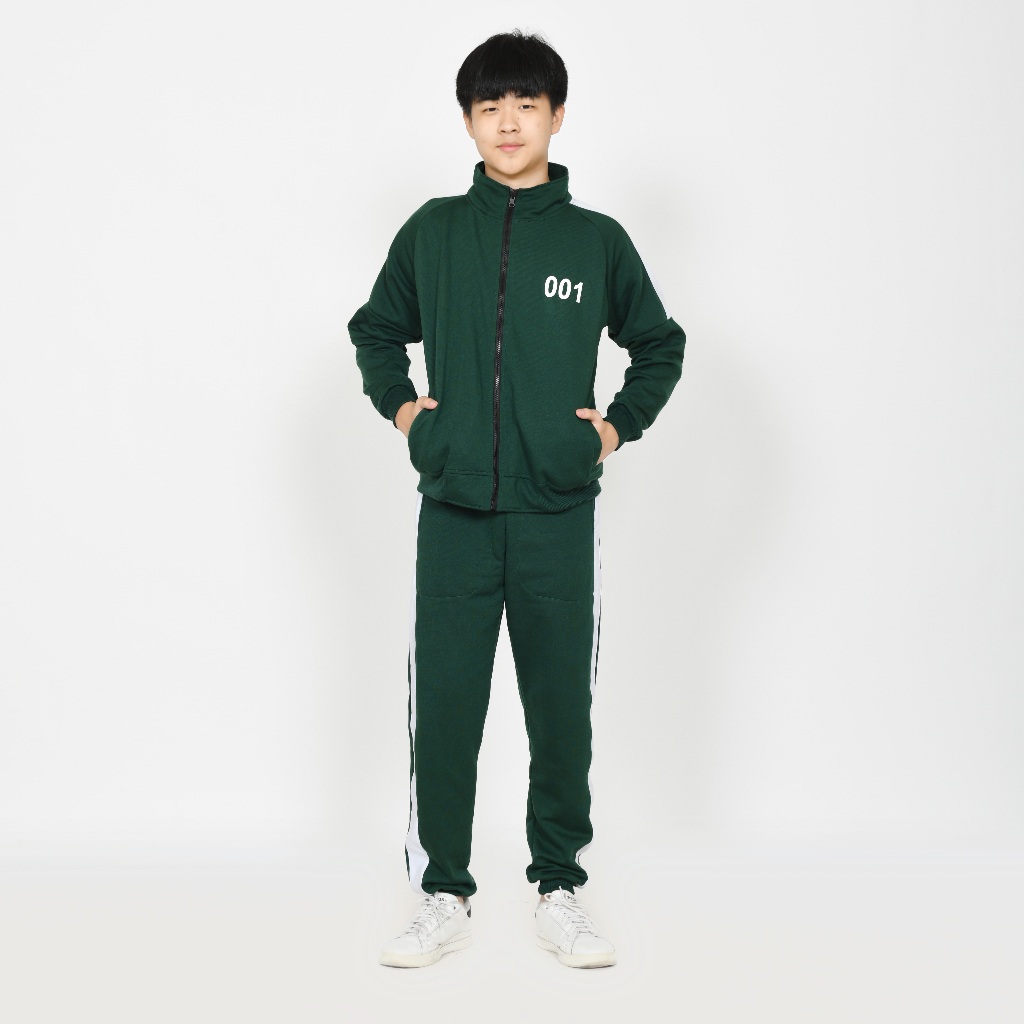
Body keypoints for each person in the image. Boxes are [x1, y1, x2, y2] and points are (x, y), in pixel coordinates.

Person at [348, 29, 685, 969]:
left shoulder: (594, 240)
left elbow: (659, 345)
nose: (507, 122)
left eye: (526, 104)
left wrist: (609, 431)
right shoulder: (432, 231)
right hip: (454, 513)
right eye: (489, 106)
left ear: (556, 116)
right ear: (468, 120)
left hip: (557, 516)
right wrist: (410, 416)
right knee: (446, 714)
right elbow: (376, 330)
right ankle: (441, 893)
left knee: (559, 714)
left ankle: (560, 887)